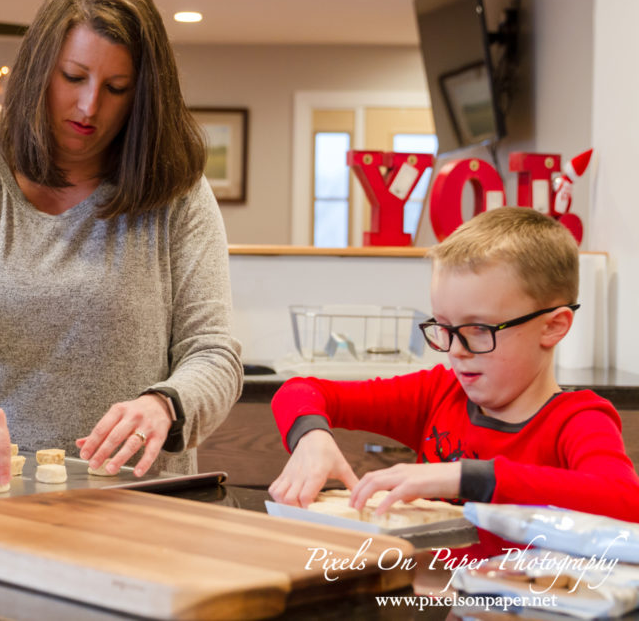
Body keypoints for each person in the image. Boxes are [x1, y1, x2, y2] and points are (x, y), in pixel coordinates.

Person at [0, 0, 243, 494]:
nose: (90, 107)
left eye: (116, 88)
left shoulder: (177, 194)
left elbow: (214, 354)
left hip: (140, 506)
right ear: (41, 68)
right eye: (73, 77)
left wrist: (166, 405)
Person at [269, 206, 639, 522]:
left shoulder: (577, 420)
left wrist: (464, 477)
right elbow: (301, 390)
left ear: (553, 327)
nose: (455, 350)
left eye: (478, 329)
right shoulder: (438, 394)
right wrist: (311, 438)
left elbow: (626, 501)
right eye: (444, 326)